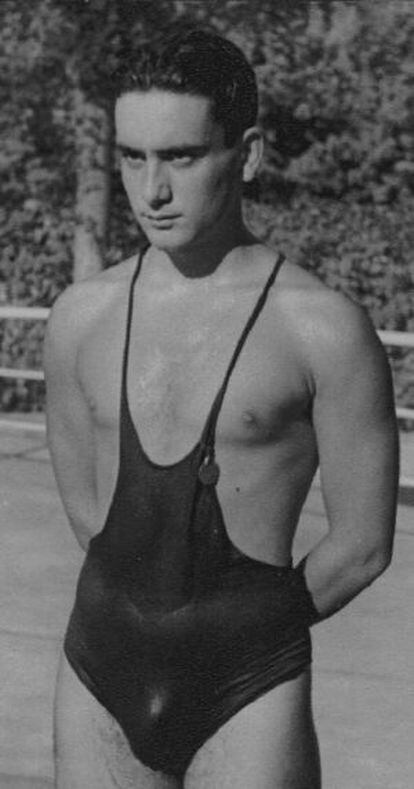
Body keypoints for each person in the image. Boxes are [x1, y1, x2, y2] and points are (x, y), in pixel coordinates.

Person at [44, 26, 399, 789]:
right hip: (99, 673)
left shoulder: (322, 328)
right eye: (131, 157)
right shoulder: (81, 316)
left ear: (249, 153)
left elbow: (365, 543)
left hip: (248, 692)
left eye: (180, 156)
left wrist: (243, 637)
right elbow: (85, 509)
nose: (152, 190)